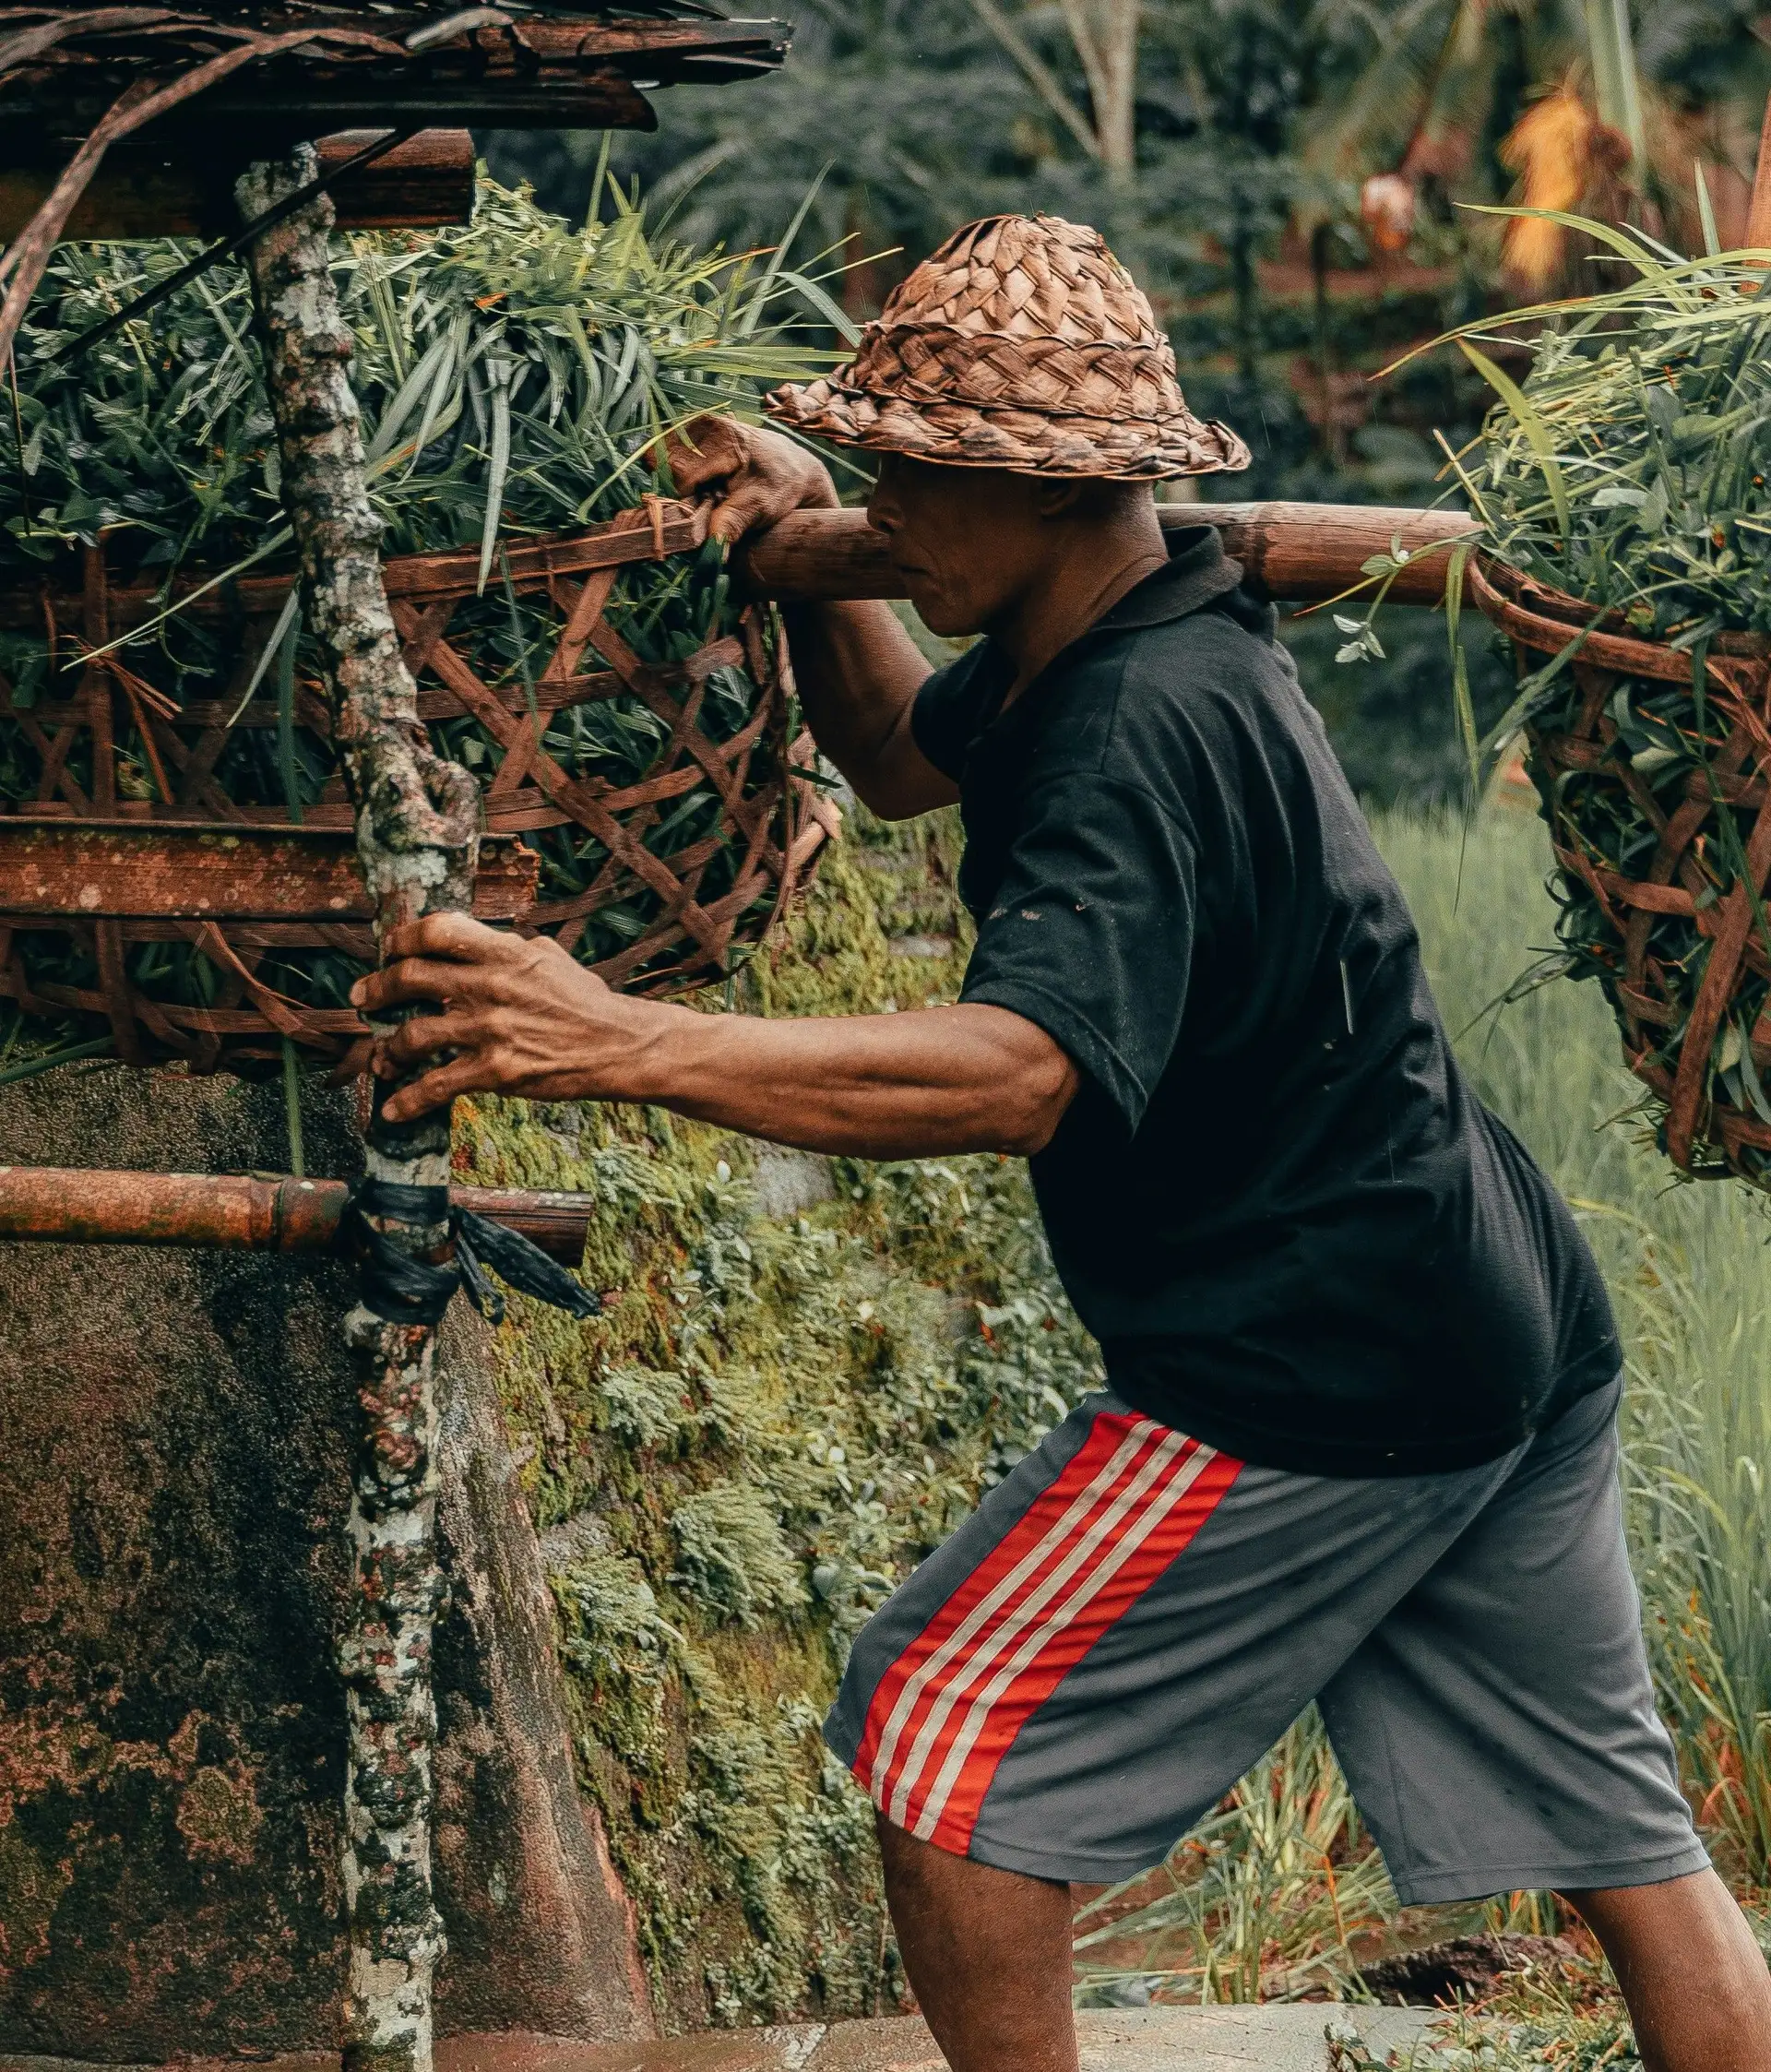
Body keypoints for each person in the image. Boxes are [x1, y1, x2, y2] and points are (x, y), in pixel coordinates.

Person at [351, 214, 1771, 2072]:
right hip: (1483, 1304)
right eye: (871, 468)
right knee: (1626, 1837)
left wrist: (614, 1038)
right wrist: (811, 565)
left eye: (914, 481)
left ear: (1044, 484)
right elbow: (895, 759)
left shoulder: (1136, 728)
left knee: (944, 1743)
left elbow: (1022, 1072)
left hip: (1313, 1360)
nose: (886, 501)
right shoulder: (1120, 623)